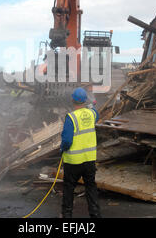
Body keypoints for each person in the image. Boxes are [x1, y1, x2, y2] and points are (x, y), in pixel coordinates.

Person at [60, 87, 101, 218]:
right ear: (84, 100)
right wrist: (90, 104)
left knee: (68, 188)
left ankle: (67, 216)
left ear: (72, 100)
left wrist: (62, 148)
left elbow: (66, 141)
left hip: (73, 162)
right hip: (89, 160)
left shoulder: (71, 118)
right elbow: (96, 113)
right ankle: (95, 215)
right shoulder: (92, 114)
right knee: (91, 187)